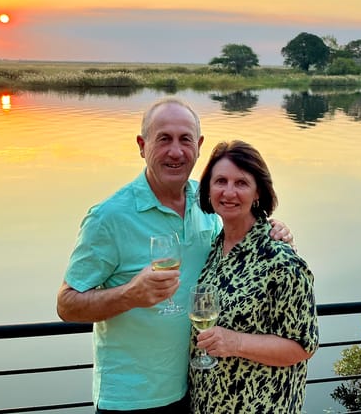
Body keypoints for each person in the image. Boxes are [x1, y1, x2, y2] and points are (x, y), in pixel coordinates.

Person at [56, 97, 294, 413]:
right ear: (142, 145)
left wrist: (273, 229)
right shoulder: (109, 218)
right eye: (163, 139)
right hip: (132, 399)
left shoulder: (207, 203)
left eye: (185, 140)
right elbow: (67, 304)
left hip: (196, 388)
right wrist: (130, 294)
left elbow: (238, 235)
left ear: (199, 146)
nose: (176, 151)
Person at [189, 140, 319, 413]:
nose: (229, 192)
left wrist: (235, 342)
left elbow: (303, 346)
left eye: (241, 183)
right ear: (208, 189)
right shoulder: (216, 247)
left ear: (258, 191)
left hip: (259, 405)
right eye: (220, 181)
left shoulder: (281, 261)